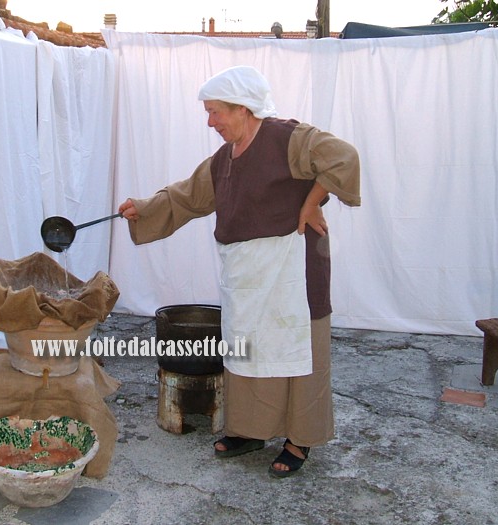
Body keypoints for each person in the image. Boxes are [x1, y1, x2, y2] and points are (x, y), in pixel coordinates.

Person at [118, 66, 360, 478]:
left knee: (298, 351)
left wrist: (312, 201)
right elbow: (189, 195)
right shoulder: (224, 159)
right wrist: (144, 206)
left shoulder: (289, 138)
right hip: (247, 275)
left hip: (292, 269)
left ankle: (299, 438)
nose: (210, 121)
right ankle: (251, 430)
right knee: (247, 350)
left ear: (243, 108)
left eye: (215, 112)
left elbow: (343, 157)